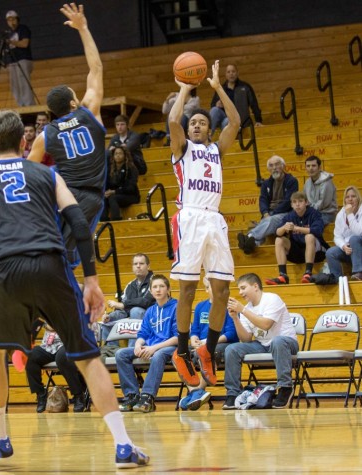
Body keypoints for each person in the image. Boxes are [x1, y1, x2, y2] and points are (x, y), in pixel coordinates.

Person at [0, 106, 148, 466]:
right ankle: (123, 445)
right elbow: (78, 221)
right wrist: (91, 279)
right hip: (52, 264)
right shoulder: (47, 174)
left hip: (4, 270)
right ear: (24, 140)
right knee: (88, 357)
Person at [168, 60, 240, 394]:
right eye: (193, 123)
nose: (196, 126)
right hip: (190, 217)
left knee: (222, 290)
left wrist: (217, 87)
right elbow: (173, 120)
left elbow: (236, 121)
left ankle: (206, 351)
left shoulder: (216, 149)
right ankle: (181, 352)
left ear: (208, 129)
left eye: (201, 123)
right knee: (186, 288)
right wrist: (185, 88)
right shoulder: (181, 149)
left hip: (214, 219)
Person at [27, 3, 106, 267]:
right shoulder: (89, 113)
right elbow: (96, 69)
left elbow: (27, 170)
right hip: (89, 197)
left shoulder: (45, 136)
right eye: (75, 94)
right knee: (65, 260)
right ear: (73, 104)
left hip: (64, 196)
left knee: (55, 253)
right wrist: (83, 28)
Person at [225, 273, 298, 409]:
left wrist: (243, 310)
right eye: (239, 289)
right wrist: (235, 318)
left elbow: (266, 325)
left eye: (243, 288)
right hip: (262, 344)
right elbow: (246, 339)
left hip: (286, 343)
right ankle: (233, 393)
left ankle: (285, 387)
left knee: (277, 341)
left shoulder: (272, 299)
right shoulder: (247, 308)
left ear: (255, 286)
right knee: (232, 349)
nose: (240, 292)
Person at [115, 274, 178, 413]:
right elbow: (143, 334)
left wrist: (153, 348)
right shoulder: (150, 311)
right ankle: (132, 395)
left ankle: (147, 396)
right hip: (150, 346)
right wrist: (138, 344)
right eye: (155, 287)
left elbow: (178, 337)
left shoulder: (177, 307)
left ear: (168, 289)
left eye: (161, 286)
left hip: (169, 348)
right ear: (150, 290)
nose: (158, 289)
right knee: (121, 354)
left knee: (158, 355)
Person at [179, 276, 239, 411]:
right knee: (180, 354)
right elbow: (194, 329)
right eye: (207, 286)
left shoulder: (229, 304)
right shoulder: (201, 306)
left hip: (222, 344)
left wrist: (206, 342)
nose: (210, 289)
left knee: (209, 351)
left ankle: (196, 392)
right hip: (201, 344)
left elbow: (230, 334)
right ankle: (196, 393)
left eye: (212, 285)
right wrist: (194, 339)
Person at [237, 155, 299, 254]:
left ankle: (249, 236)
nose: (274, 168)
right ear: (268, 169)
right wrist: (265, 212)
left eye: (277, 164)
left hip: (286, 213)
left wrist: (271, 214)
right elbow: (263, 200)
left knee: (269, 221)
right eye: (271, 165)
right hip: (269, 214)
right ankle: (251, 245)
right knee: (267, 222)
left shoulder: (292, 181)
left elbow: (288, 202)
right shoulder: (266, 183)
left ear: (283, 166)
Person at [265, 191, 329, 285]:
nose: (297, 204)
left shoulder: (314, 213)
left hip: (317, 253)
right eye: (294, 202)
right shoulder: (290, 216)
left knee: (309, 236)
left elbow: (318, 230)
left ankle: (308, 273)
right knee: (279, 240)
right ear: (291, 204)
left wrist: (297, 228)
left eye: (300, 201)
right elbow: (277, 232)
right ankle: (283, 275)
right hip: (298, 253)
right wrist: (284, 228)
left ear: (306, 202)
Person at [26, 324, 88, 413]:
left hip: (67, 344)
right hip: (47, 346)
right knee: (31, 357)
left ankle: (78, 395)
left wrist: (53, 325)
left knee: (62, 358)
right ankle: (41, 394)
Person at [101, 253, 155, 345]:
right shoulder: (130, 285)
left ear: (148, 266)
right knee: (110, 318)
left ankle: (133, 349)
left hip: (153, 318)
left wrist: (123, 304)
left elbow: (146, 302)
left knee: (135, 311)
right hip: (135, 317)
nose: (138, 266)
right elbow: (124, 309)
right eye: (135, 264)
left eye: (141, 263)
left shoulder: (155, 281)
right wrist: (110, 315)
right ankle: (110, 351)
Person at [321, 185, 362, 283]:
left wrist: (350, 214)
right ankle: (337, 279)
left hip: (359, 247)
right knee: (330, 252)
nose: (350, 199)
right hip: (349, 249)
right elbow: (337, 236)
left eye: (353, 196)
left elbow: (359, 232)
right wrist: (343, 246)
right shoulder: (340, 214)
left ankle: (358, 272)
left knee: (354, 239)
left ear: (358, 198)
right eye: (347, 197)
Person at [209, 63, 262, 136]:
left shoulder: (245, 87)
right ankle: (208, 137)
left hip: (238, 118)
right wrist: (216, 104)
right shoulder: (221, 88)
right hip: (224, 116)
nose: (231, 74)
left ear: (237, 73)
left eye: (233, 71)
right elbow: (212, 105)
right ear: (226, 75)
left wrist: (258, 120)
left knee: (227, 121)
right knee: (214, 110)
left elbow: (254, 104)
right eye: (228, 72)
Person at [100, 145, 140, 221]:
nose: (118, 155)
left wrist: (114, 192)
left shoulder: (131, 168)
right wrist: (106, 192)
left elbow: (130, 188)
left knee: (112, 198)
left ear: (125, 155)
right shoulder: (110, 169)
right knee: (103, 198)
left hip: (130, 196)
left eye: (120, 153)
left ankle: (116, 220)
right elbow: (106, 184)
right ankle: (103, 220)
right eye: (116, 154)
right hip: (114, 194)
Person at [4, 10, 35, 107]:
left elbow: (25, 43)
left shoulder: (23, 29)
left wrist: (11, 42)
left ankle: (29, 105)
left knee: (24, 82)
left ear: (17, 19)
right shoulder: (9, 33)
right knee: (15, 85)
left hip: (23, 59)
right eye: (9, 20)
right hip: (12, 61)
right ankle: (21, 105)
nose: (11, 22)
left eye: (13, 19)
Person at [303, 155, 337, 226]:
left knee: (310, 225)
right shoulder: (307, 182)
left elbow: (322, 205)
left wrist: (308, 208)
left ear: (319, 167)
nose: (310, 168)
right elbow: (304, 200)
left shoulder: (327, 182)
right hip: (312, 213)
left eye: (313, 165)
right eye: (308, 166)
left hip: (327, 214)